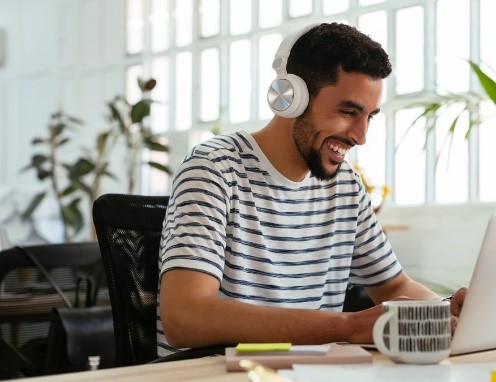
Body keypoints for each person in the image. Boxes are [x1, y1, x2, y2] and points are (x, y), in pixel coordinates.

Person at [157, 22, 467, 357]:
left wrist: (446, 311)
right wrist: (347, 327)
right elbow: (184, 317)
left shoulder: (344, 185)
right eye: (348, 111)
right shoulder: (215, 169)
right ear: (289, 98)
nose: (360, 136)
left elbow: (393, 285)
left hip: (310, 372)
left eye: (369, 117)